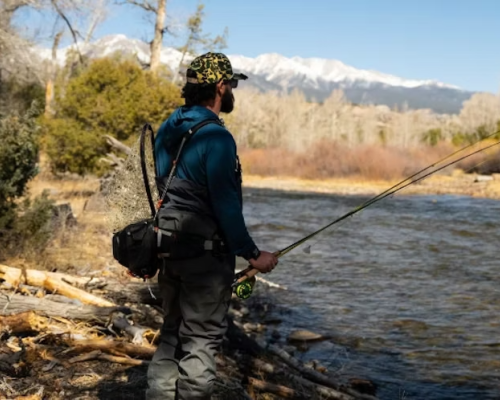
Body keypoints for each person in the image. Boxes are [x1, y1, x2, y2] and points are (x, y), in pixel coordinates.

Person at [146, 52, 278, 400]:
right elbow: (225, 205)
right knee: (200, 342)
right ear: (220, 86)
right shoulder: (217, 138)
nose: (232, 90)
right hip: (205, 259)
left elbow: (158, 188)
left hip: (168, 248)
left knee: (171, 334)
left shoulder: (169, 127)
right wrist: (252, 255)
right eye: (231, 84)